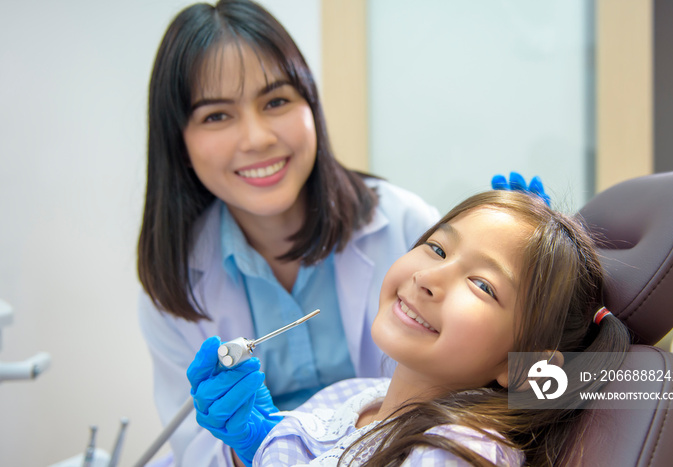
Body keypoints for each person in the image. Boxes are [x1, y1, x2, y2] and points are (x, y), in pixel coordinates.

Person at [137, 0, 547, 464]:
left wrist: (543, 291)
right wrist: (248, 447)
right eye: (216, 115)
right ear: (179, 142)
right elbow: (193, 450)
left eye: (276, 101)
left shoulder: (405, 223)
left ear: (312, 104)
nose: (256, 138)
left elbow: (592, 388)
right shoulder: (176, 286)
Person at [187, 190, 630, 466]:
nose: (428, 278)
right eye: (436, 248)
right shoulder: (352, 397)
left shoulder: (457, 452)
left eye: (481, 285)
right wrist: (260, 441)